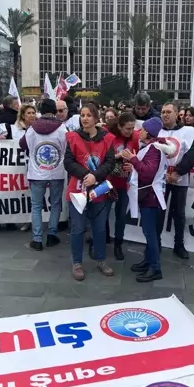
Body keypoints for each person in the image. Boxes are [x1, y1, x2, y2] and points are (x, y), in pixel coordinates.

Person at [63, 103, 116, 281]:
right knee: (78, 228)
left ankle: (101, 260)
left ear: (96, 118)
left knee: (100, 228)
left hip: (99, 190)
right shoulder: (73, 138)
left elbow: (110, 163)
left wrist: (96, 176)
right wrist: (87, 175)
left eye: (88, 115)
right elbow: (68, 162)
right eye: (82, 115)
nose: (84, 118)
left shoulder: (108, 139)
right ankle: (77, 263)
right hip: (77, 190)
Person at [122, 117, 175, 282]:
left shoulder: (153, 150)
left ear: (148, 133)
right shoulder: (153, 148)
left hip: (151, 197)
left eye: (143, 129)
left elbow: (147, 173)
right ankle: (149, 261)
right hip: (151, 195)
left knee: (150, 233)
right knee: (150, 233)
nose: (140, 132)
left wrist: (133, 159)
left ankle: (155, 268)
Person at [19, 99, 66, 250]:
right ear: (54, 110)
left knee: (37, 206)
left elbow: (22, 144)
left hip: (37, 172)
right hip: (56, 172)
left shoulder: (32, 129)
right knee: (55, 204)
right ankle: (52, 235)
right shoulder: (62, 129)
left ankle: (37, 239)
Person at [156, 102, 194, 258]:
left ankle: (179, 244)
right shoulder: (157, 131)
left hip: (180, 180)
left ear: (176, 114)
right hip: (160, 180)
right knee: (158, 212)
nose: (165, 114)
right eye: (163, 112)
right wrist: (162, 173)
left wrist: (177, 173)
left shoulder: (188, 132)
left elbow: (191, 155)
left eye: (168, 112)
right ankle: (156, 242)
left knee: (178, 213)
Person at [105, 112, 139, 259]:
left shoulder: (134, 139)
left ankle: (118, 244)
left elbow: (137, 158)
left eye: (132, 128)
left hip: (123, 182)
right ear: (119, 126)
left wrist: (132, 166)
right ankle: (99, 240)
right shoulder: (109, 136)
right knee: (102, 213)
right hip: (107, 181)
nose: (130, 132)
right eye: (127, 128)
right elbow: (101, 157)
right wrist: (117, 156)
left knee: (120, 216)